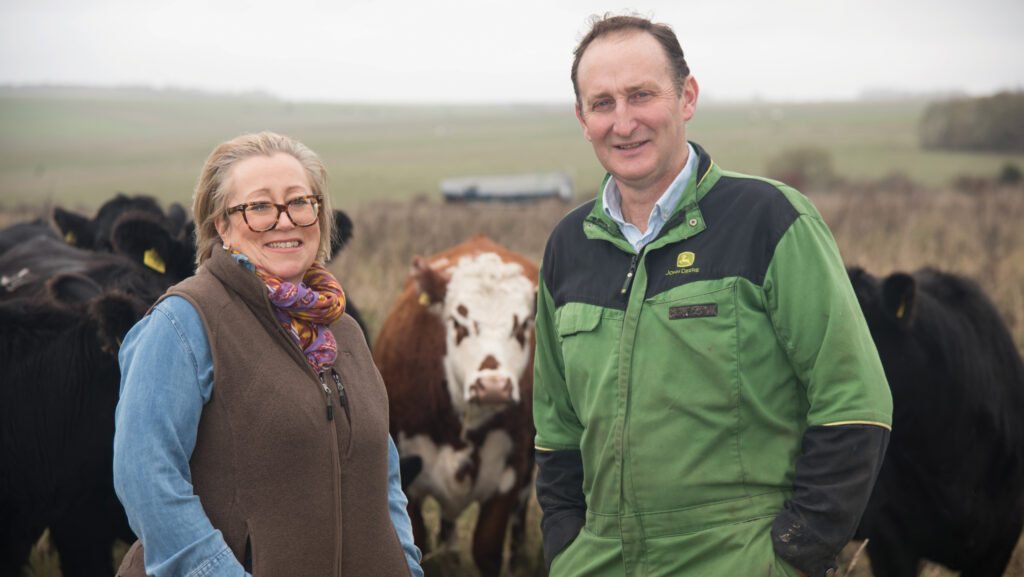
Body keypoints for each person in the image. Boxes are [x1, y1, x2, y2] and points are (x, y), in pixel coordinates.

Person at [532, 14, 893, 577]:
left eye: (641, 95)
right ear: (582, 119)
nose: (623, 122)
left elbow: (854, 402)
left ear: (687, 97)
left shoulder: (769, 220)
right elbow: (556, 432)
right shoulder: (567, 246)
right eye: (602, 103)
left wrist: (791, 556)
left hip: (737, 560)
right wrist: (568, 549)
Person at [113, 132, 423, 577]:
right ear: (221, 224)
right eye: (259, 207)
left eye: (300, 201)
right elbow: (147, 480)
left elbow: (383, 476)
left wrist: (405, 564)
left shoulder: (343, 329)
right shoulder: (185, 323)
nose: (285, 220)